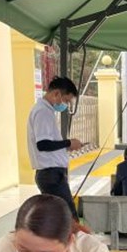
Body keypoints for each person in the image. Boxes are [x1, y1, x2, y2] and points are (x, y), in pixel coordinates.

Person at [28, 76, 83, 217]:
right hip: (51, 174)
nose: (65, 105)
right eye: (66, 100)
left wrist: (66, 146)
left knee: (60, 218)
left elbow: (47, 142)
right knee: (68, 218)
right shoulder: (43, 112)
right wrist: (68, 143)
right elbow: (43, 144)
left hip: (52, 173)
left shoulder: (45, 110)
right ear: (56, 93)